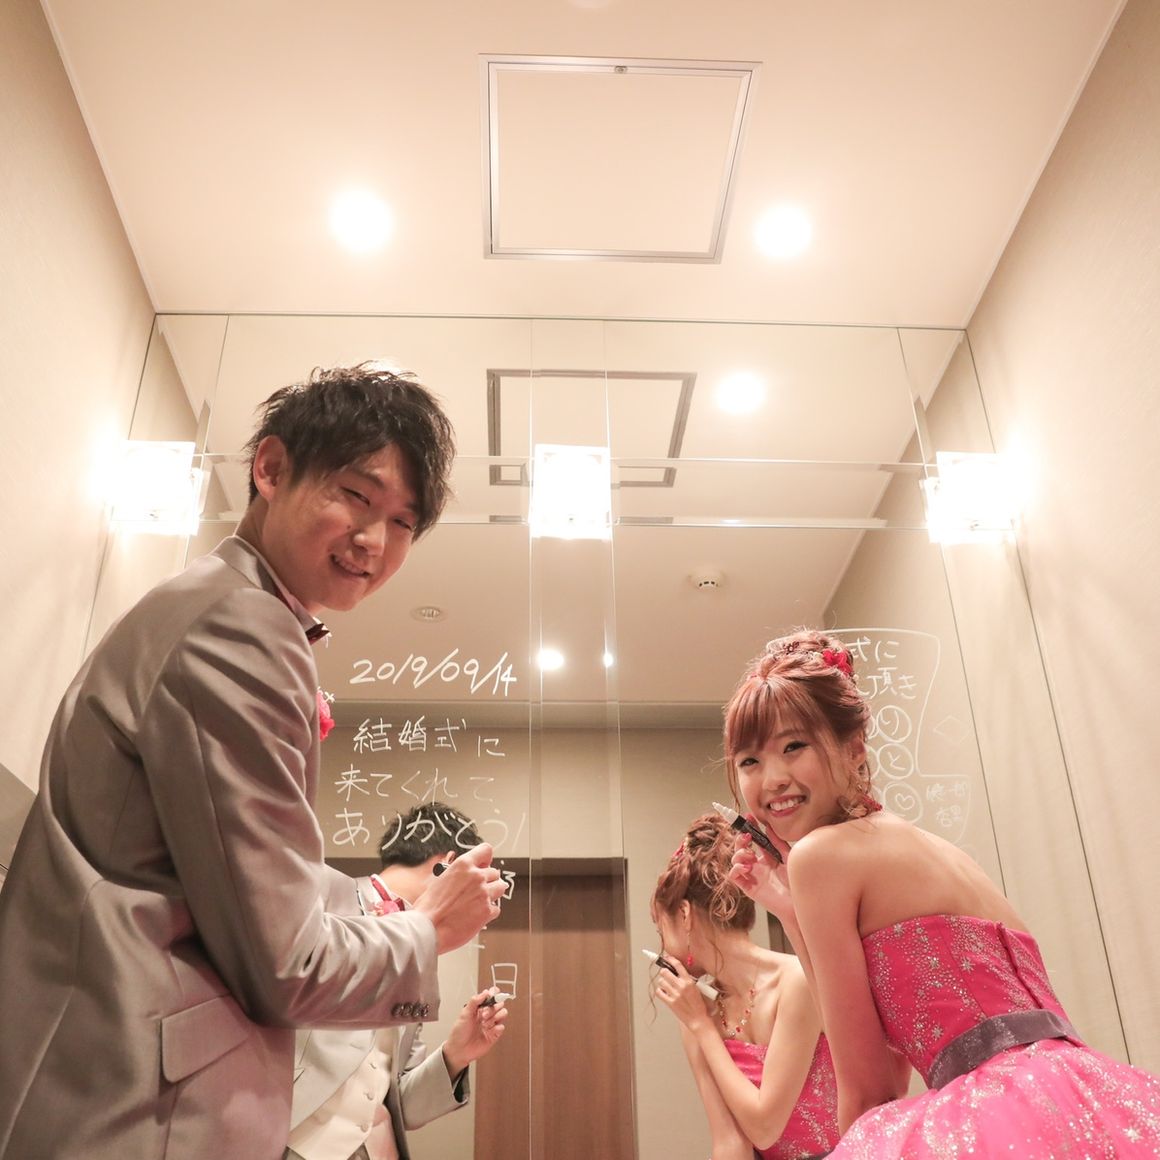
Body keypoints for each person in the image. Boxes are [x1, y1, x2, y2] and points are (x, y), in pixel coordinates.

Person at [0, 364, 508, 1160]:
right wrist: (427, 931)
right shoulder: (240, 628)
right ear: (270, 468)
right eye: (356, 495)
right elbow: (287, 964)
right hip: (138, 1114)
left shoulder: (224, 607)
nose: (374, 541)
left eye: (403, 523)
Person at [726, 628, 1160, 1156]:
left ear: (853, 748)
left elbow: (870, 1093)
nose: (772, 778)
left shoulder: (821, 856)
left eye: (793, 747)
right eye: (749, 761)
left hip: (991, 1116)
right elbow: (890, 1066)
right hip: (1082, 1093)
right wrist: (794, 914)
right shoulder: (940, 850)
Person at [286, 802, 508, 1160]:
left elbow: (401, 1104)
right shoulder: (321, 893)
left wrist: (456, 1054)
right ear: (449, 865)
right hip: (289, 1141)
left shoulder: (422, 949)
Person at [650, 812, 840, 1160]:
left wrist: (703, 1028)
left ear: (685, 915)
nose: (661, 946)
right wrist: (698, 1024)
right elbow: (729, 1141)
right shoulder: (696, 1012)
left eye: (659, 926)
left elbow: (765, 1128)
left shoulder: (794, 982)